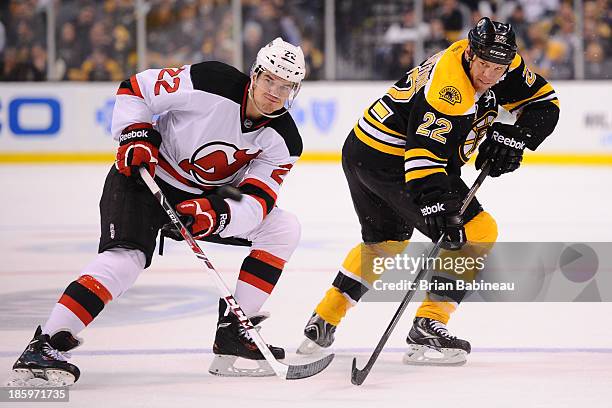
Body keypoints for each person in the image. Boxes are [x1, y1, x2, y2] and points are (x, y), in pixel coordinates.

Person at [8, 37, 306, 386]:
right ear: (254, 74)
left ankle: (234, 333)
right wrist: (135, 134)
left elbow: (256, 200)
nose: (275, 91)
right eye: (270, 79)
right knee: (125, 259)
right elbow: (136, 89)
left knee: (283, 228)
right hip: (145, 177)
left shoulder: (285, 139)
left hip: (201, 200)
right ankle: (45, 344)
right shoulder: (211, 81)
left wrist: (218, 213)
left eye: (286, 86)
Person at [297, 17, 560, 365]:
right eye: (483, 65)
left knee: (385, 241)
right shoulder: (449, 88)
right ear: (469, 53)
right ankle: (428, 326)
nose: (489, 76)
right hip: (395, 159)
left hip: (361, 151)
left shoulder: (504, 64)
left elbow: (545, 103)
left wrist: (518, 136)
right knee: (476, 232)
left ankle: (323, 320)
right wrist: (437, 207)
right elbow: (424, 157)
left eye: (498, 67)